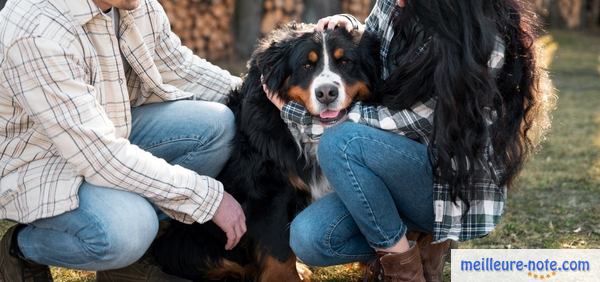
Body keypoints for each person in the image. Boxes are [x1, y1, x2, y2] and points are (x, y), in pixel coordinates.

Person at [266, 0, 554, 281]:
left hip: (444, 187)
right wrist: (350, 25)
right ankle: (410, 248)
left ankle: (404, 270)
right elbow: (374, 47)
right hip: (392, 170)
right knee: (310, 238)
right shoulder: (396, 4)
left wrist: (294, 111)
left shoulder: (481, 38)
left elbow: (409, 122)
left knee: (340, 142)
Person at [0, 0, 247, 281]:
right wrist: (204, 197)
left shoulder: (131, 4)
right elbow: (101, 156)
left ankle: (128, 267)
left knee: (216, 126)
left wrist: (260, 94)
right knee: (128, 230)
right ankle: (19, 247)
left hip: (105, 133)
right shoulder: (39, 31)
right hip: (37, 166)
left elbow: (179, 67)